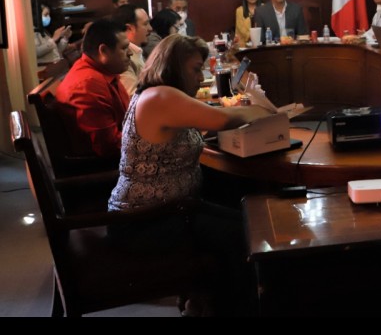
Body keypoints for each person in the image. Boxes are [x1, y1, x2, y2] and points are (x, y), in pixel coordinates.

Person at [108, 34, 277, 316]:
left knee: (240, 206)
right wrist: (263, 111)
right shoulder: (161, 96)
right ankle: (232, 308)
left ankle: (208, 302)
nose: (201, 77)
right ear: (174, 66)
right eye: (196, 69)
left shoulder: (155, 94)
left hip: (168, 210)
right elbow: (222, 119)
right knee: (241, 230)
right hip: (143, 222)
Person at [55, 19, 132, 159]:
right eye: (124, 48)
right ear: (103, 51)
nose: (130, 53)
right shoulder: (89, 84)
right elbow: (108, 146)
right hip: (103, 164)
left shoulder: (101, 72)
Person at [113, 4, 153, 96]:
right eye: (145, 24)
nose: (150, 28)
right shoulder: (122, 57)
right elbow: (133, 96)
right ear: (129, 28)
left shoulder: (138, 52)